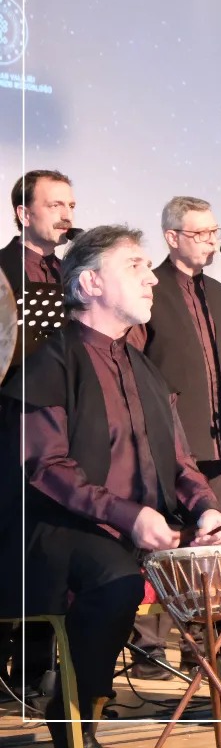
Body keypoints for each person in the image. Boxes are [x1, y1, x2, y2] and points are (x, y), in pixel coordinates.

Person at [5, 226, 221, 748]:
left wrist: (204, 508)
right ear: (89, 283)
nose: (151, 278)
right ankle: (75, 717)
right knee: (115, 579)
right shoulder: (49, 364)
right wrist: (130, 516)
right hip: (61, 531)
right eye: (134, 265)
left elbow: (179, 463)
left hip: (145, 529)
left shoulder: (146, 369)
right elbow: (46, 468)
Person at [132, 196, 221, 677]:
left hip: (220, 440)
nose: (210, 242)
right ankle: (149, 646)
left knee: (212, 547)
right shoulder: (149, 291)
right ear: (171, 237)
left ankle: (203, 648)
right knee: (166, 544)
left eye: (213, 232)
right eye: (199, 233)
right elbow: (133, 366)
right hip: (166, 441)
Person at [0, 170, 76, 696]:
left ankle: (36, 670)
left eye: (71, 205)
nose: (67, 215)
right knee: (10, 539)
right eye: (55, 205)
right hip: (9, 425)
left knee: (49, 542)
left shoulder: (77, 274)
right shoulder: (2, 269)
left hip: (60, 428)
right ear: (24, 214)